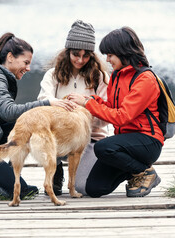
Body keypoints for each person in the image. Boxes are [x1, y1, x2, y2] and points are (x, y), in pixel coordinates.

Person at [0, 32, 75, 198]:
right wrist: (47, 103)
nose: (29, 68)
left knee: (27, 128)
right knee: (23, 191)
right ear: (10, 57)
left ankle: (2, 172)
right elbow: (8, 111)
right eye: (26, 62)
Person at [68, 26, 163, 198]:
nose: (107, 59)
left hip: (147, 141)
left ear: (123, 52)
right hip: (124, 145)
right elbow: (111, 108)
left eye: (110, 55)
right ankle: (133, 171)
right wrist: (90, 100)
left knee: (103, 147)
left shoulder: (145, 79)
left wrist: (88, 103)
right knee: (92, 188)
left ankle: (144, 171)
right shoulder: (117, 76)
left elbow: (122, 117)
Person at [37, 20, 109, 196]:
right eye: (76, 54)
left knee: (82, 187)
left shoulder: (101, 77)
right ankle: (56, 169)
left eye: (86, 56)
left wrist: (85, 105)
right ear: (68, 51)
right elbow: (42, 102)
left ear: (91, 56)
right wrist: (62, 105)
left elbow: (106, 116)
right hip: (59, 136)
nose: (80, 60)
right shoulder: (52, 75)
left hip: (92, 139)